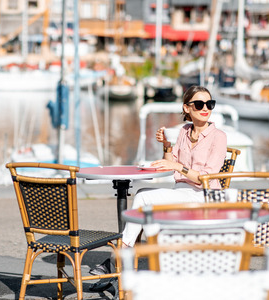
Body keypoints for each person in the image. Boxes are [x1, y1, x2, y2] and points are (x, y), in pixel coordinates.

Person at [89, 85, 227, 277]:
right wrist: (167, 146)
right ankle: (128, 259)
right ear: (187, 108)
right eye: (199, 104)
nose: (205, 108)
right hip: (182, 191)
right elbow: (172, 166)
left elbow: (205, 178)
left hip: (205, 196)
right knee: (143, 197)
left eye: (209, 104)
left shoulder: (218, 137)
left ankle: (120, 256)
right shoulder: (184, 131)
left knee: (144, 197)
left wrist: (179, 167)